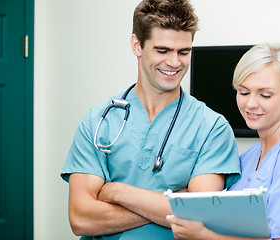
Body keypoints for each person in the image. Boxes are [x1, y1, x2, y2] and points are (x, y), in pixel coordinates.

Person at [60, 0, 241, 239]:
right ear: (137, 45)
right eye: (162, 50)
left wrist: (117, 192)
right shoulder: (98, 122)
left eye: (183, 52)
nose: (174, 63)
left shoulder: (212, 128)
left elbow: (199, 217)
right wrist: (176, 201)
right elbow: (81, 218)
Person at [167, 42, 280, 240]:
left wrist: (203, 236)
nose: (251, 103)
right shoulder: (249, 158)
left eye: (265, 95)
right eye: (244, 92)